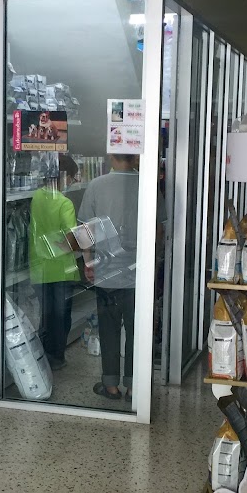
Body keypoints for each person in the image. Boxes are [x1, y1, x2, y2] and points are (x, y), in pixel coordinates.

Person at [78, 154, 143, 402]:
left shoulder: (96, 185)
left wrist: (88, 262)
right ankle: (134, 386)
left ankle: (111, 385)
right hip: (138, 272)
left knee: (108, 328)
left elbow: (85, 230)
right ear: (135, 157)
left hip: (106, 271)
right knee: (137, 330)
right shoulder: (146, 184)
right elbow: (159, 229)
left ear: (111, 156)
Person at [29, 154, 81, 370]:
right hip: (61, 268)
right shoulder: (64, 203)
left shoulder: (36, 197)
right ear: (64, 176)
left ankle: (43, 356)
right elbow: (72, 239)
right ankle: (57, 358)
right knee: (61, 316)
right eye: (72, 178)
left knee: (46, 314)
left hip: (39, 265)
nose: (72, 182)